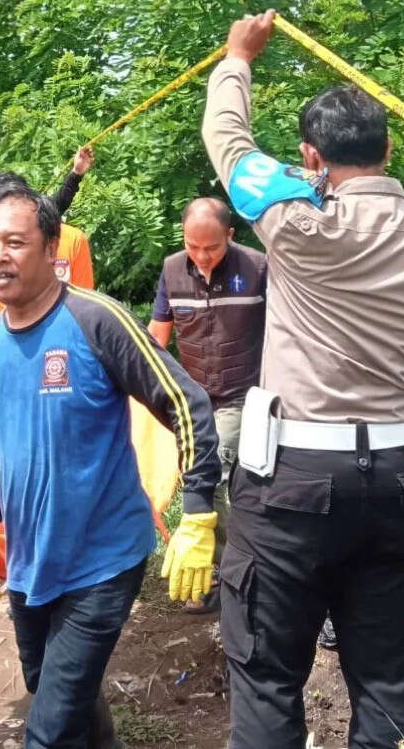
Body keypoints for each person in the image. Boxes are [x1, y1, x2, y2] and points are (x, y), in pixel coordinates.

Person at [193, 10, 404, 748]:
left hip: (289, 487)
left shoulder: (292, 217)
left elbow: (229, 143)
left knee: (268, 677)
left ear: (310, 156)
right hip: (395, 484)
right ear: (389, 146)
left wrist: (239, 56)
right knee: (387, 679)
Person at [0, 184, 221, 748]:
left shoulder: (95, 320)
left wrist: (198, 514)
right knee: (55, 690)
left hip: (102, 560)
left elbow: (187, 405)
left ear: (52, 246)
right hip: (32, 561)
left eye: (14, 242)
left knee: (49, 730)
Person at [146, 197, 264, 614]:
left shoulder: (257, 268)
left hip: (242, 395)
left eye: (210, 248)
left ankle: (228, 577)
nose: (201, 256)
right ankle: (227, 570)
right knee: (205, 481)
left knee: (213, 475)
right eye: (193, 246)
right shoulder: (172, 269)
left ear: (230, 236)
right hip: (193, 400)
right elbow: (157, 335)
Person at [0, 148, 96, 380]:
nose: (1, 254)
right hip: (13, 356)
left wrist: (76, 174)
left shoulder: (66, 239)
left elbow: (52, 209)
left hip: (66, 352)